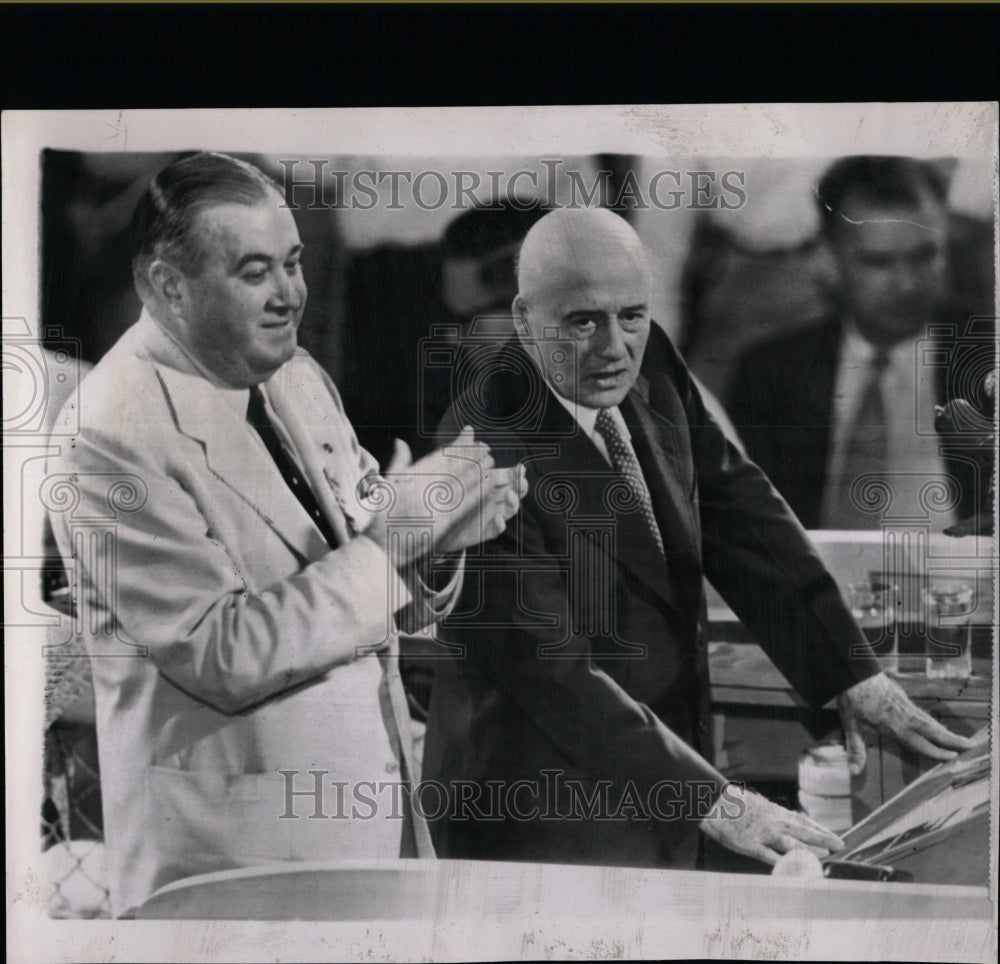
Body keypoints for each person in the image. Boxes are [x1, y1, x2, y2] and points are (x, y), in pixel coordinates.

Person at [47, 152, 525, 917]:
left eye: (295, 263)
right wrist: (394, 544)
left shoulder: (294, 373)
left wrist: (440, 542)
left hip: (367, 833)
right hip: (233, 877)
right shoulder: (109, 434)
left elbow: (375, 581)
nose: (290, 296)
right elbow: (221, 653)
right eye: (255, 272)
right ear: (169, 286)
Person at [422, 207, 972, 871]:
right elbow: (549, 670)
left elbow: (741, 514)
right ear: (522, 320)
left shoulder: (649, 354)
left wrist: (851, 675)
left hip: (659, 783)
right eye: (581, 321)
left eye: (631, 313)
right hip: (537, 815)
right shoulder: (479, 442)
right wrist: (716, 801)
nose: (613, 345)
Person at [726, 156, 992, 530]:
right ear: (829, 260)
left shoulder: (988, 357)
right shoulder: (770, 372)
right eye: (878, 262)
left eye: (924, 255)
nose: (907, 284)